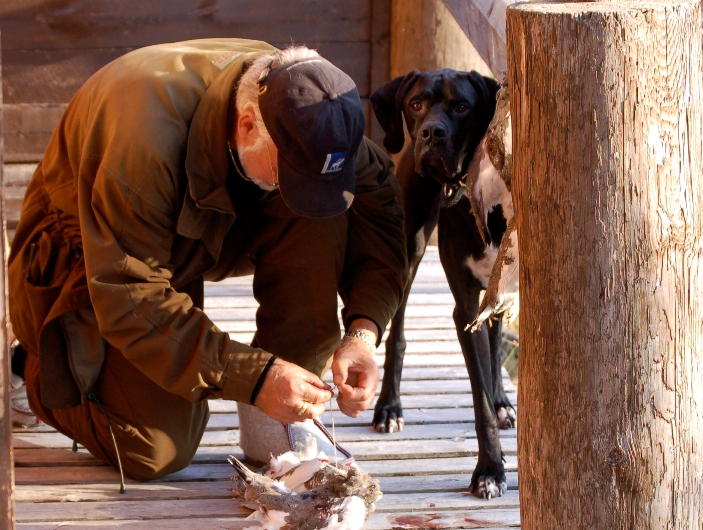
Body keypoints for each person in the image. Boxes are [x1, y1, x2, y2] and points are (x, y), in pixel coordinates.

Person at [8, 39, 408, 484]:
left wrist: (363, 333)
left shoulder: (311, 113)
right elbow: (133, 299)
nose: (297, 187)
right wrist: (253, 376)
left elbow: (382, 214)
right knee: (155, 449)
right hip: (96, 249)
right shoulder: (142, 145)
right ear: (247, 124)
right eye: (287, 174)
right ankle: (31, 366)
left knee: (320, 211)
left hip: (210, 216)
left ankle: (276, 423)